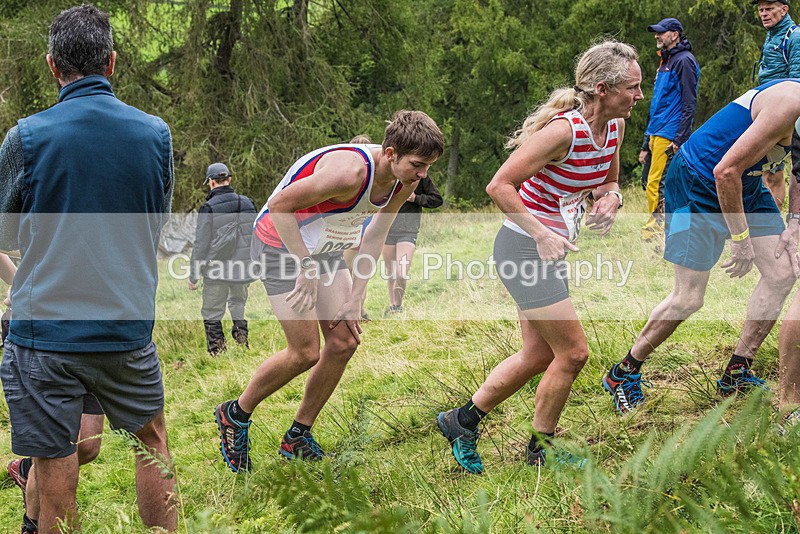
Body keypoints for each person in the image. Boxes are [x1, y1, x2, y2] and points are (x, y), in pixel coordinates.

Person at [0, 5, 177, 532]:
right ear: (113, 62)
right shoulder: (154, 135)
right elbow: (156, 224)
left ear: (54, 67)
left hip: (44, 333)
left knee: (56, 461)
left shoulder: (26, 138)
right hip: (125, 326)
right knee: (152, 443)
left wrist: (24, 277)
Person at [436, 41, 642, 473]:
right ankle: (540, 450)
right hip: (522, 248)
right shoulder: (563, 132)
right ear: (603, 89)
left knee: (538, 356)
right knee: (574, 353)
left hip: (548, 250)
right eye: (633, 88)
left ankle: (462, 421)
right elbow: (498, 186)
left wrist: (612, 199)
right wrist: (541, 232)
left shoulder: (615, 129)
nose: (640, 96)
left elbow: (608, 180)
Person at [214, 111, 444, 472]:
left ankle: (297, 437)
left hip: (326, 244)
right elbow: (279, 207)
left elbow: (375, 234)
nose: (423, 175)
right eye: (417, 164)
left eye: (428, 166)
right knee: (305, 351)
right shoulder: (349, 172)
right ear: (390, 153)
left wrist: (358, 295)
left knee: (344, 340)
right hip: (280, 242)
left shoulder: (405, 183)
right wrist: (305, 265)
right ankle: (235, 414)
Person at [602, 80, 800, 415]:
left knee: (781, 273)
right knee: (689, 297)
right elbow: (725, 171)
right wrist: (740, 242)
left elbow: (799, 172)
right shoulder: (788, 105)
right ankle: (624, 372)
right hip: (699, 180)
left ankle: (737, 371)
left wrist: (794, 221)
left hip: (745, 183)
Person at [640, 17, 699, 245]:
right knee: (651, 182)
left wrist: (679, 138)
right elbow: (658, 104)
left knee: (659, 184)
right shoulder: (666, 61)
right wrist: (646, 144)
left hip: (670, 134)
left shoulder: (684, 61)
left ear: (674, 34)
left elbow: (689, 102)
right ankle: (664, 230)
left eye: (661, 32)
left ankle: (656, 232)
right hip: (657, 132)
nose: (657, 36)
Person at [188, 162, 257, 356]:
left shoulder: (208, 207)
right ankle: (242, 339)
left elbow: (201, 244)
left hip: (216, 270)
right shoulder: (247, 203)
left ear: (210, 182)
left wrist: (193, 275)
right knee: (238, 303)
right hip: (243, 269)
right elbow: (256, 235)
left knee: (212, 311)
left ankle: (218, 351)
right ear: (229, 179)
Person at [754, 0, 800, 209]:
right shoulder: (772, 35)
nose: (764, 14)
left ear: (784, 9)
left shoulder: (795, 36)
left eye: (769, 9)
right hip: (767, 111)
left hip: (783, 116)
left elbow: (797, 83)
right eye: (761, 9)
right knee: (768, 172)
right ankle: (770, 224)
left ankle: (773, 225)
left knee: (772, 174)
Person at [381, 175, 443, 315]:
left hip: (408, 230)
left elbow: (437, 199)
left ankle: (398, 305)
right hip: (386, 229)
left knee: (401, 273)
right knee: (390, 271)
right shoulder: (387, 174)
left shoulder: (420, 178)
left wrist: (416, 198)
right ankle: (394, 307)